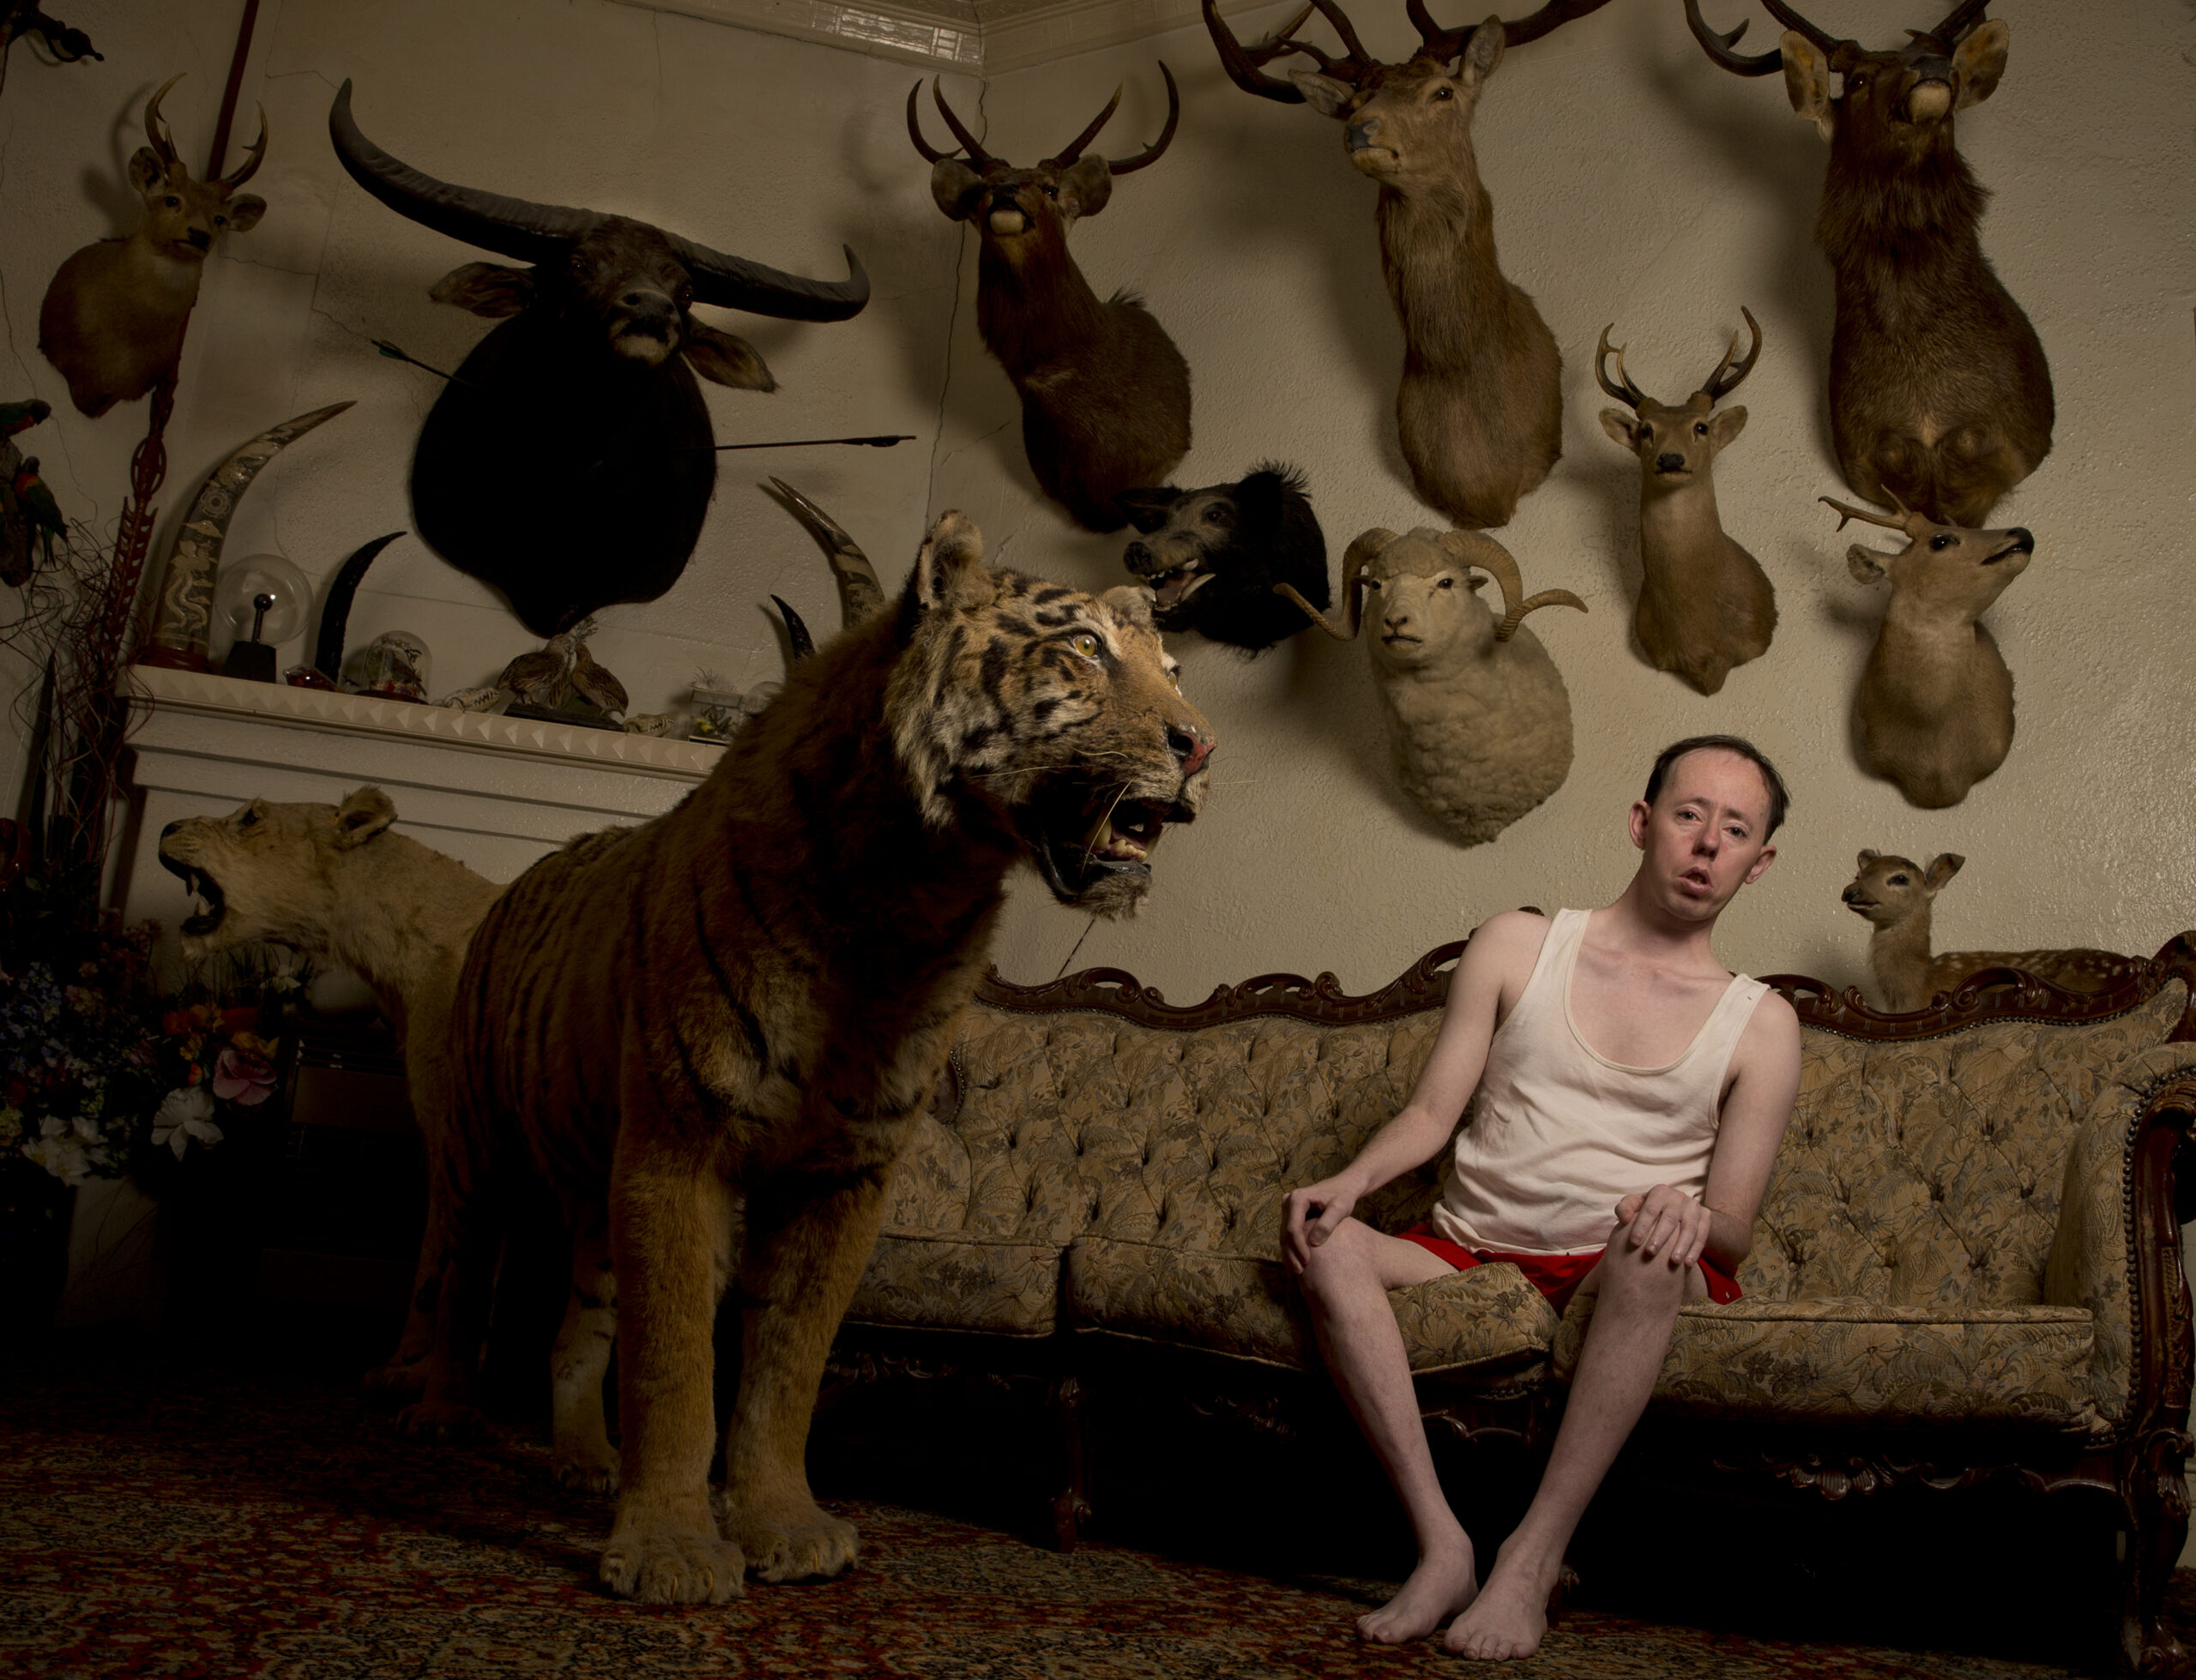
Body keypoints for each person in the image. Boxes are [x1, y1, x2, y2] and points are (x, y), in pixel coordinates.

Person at [1283, 736, 1802, 1660]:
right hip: (1471, 1246)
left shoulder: (1761, 1022)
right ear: (1642, 824)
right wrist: (1349, 1182)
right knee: (1329, 1244)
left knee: (1654, 1243)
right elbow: (1430, 1112)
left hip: (1626, 1268)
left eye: (1735, 831)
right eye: (1689, 816)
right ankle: (1441, 1545)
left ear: (1757, 864)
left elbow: (1732, 1236)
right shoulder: (1519, 943)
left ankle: (1529, 1559)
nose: (1707, 845)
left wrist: (1687, 1217)